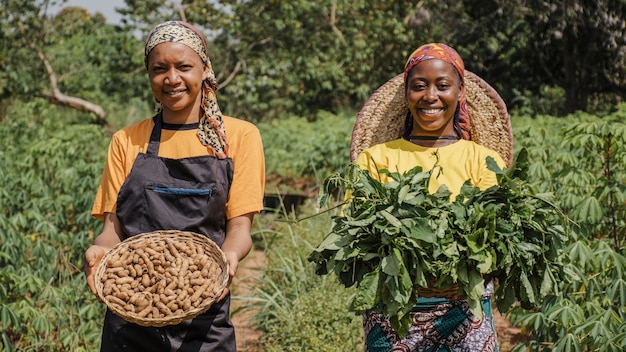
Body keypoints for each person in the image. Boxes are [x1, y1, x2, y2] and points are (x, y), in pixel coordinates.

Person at [83, 20, 265, 351]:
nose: (171, 79)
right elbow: (112, 229)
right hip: (133, 312)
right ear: (148, 74)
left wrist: (228, 259)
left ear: (204, 69)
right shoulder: (126, 140)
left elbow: (240, 228)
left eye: (184, 66)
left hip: (204, 309)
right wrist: (102, 253)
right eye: (159, 69)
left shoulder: (239, 137)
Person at [353, 43, 508, 351]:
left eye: (443, 85)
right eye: (419, 86)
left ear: (460, 92)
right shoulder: (375, 159)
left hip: (464, 311)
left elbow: (499, 237)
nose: (430, 96)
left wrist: (473, 270)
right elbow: (358, 235)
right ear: (406, 93)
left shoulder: (484, 161)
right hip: (393, 311)